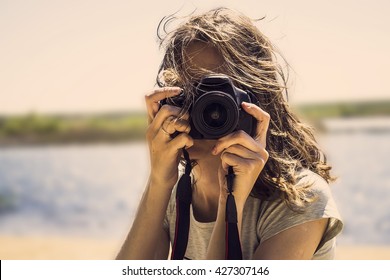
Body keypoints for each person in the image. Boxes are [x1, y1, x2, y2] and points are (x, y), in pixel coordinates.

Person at [117, 7, 343, 260]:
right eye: (192, 94)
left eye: (220, 97)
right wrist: (159, 180)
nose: (208, 110)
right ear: (170, 98)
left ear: (257, 104)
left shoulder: (301, 199)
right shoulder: (174, 190)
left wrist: (230, 201)